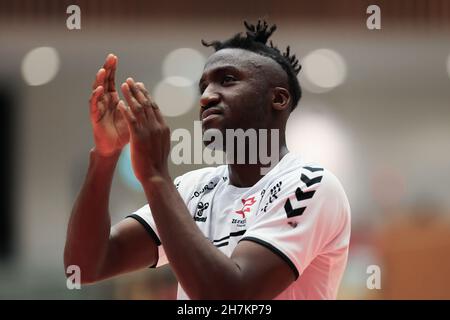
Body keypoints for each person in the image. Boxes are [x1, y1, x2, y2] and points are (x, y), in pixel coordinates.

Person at [64, 20, 351, 300]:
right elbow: (86, 266)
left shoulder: (310, 185)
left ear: (278, 99)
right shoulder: (194, 187)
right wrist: (105, 155)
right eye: (203, 86)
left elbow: (231, 296)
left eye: (227, 80)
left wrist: (155, 175)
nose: (206, 97)